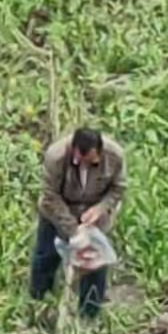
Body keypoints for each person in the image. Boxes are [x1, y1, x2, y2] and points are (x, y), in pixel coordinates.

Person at [30, 127, 126, 320]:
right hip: (58, 211)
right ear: (73, 150)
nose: (86, 165)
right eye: (81, 161)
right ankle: (38, 305)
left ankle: (89, 314)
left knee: (94, 263)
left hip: (94, 216)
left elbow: (118, 189)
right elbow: (50, 196)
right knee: (46, 256)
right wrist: (73, 230)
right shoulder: (56, 156)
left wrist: (100, 209)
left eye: (91, 161)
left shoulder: (115, 155)